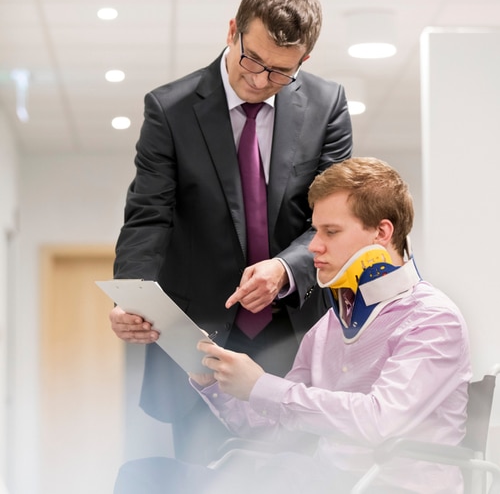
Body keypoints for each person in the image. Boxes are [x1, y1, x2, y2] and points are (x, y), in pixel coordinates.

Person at [114, 157, 472, 494]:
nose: (314, 246)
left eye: (330, 231)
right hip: (326, 481)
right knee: (143, 475)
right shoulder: (330, 325)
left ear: (382, 232)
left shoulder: (432, 319)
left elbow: (378, 423)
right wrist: (216, 383)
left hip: (390, 486)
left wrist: (263, 385)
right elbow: (276, 428)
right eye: (315, 231)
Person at [110, 0, 353, 464]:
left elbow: (334, 221)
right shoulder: (171, 109)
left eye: (281, 71)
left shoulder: (327, 105)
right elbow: (149, 216)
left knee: (297, 477)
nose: (261, 80)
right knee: (206, 479)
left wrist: (286, 268)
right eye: (252, 59)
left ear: (304, 60)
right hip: (199, 345)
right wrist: (131, 297)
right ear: (232, 31)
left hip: (294, 337)